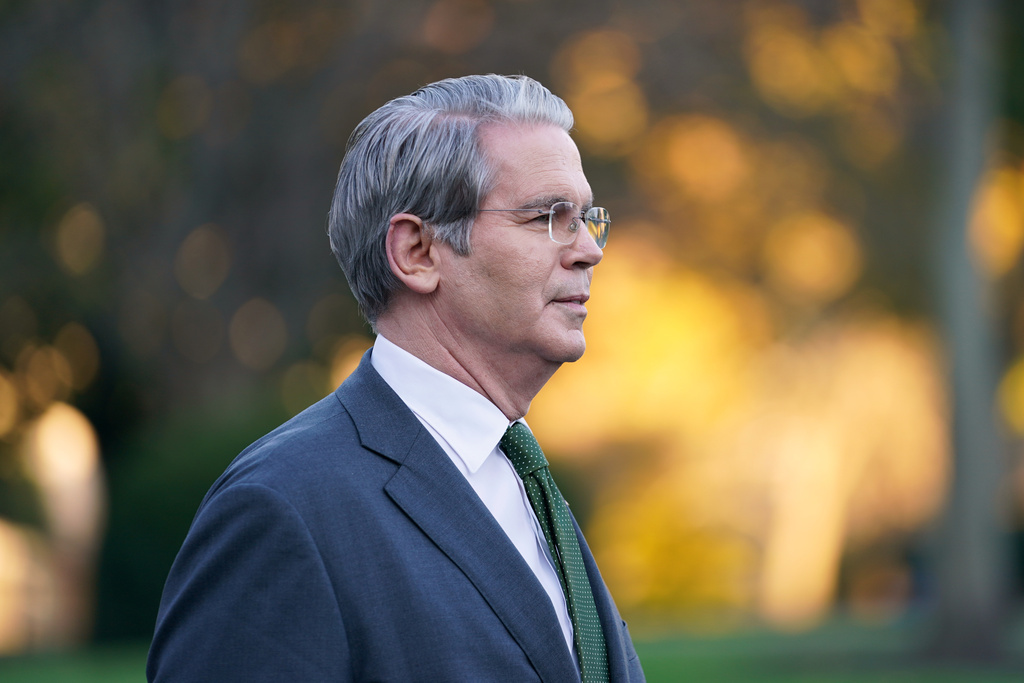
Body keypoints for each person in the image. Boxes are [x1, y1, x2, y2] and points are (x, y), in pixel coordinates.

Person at [147, 74, 644, 682]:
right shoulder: (281, 510)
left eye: (586, 218)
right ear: (417, 253)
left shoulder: (524, 480)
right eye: (547, 216)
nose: (588, 250)